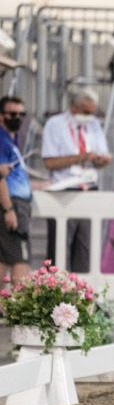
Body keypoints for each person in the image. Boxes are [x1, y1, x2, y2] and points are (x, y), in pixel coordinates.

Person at [42, 88, 113, 272]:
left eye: (92, 112)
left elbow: (96, 160)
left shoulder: (94, 125)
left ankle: (82, 296)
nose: (90, 116)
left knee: (85, 248)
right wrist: (82, 156)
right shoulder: (54, 125)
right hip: (64, 192)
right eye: (86, 112)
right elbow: (50, 162)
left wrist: (100, 160)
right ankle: (54, 293)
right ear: (74, 107)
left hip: (88, 189)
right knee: (59, 248)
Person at [0, 96, 32, 283]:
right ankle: (20, 309)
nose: (17, 118)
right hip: (13, 204)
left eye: (21, 114)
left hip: (15, 202)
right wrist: (9, 209)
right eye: (12, 114)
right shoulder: (3, 141)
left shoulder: (11, 141)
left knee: (3, 258)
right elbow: (1, 177)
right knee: (21, 258)